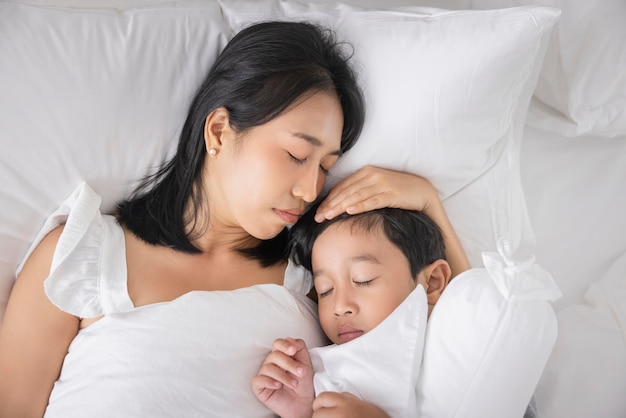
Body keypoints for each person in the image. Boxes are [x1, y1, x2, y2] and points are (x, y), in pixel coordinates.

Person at [0, 21, 469, 418]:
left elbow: (467, 361)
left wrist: (428, 205)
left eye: (325, 166)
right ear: (220, 130)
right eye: (296, 154)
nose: (310, 190)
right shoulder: (81, 259)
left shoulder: (319, 281)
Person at [251, 205, 451, 418]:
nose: (339, 307)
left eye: (363, 279)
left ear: (432, 283)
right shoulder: (320, 375)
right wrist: (303, 411)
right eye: (325, 290)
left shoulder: (452, 348)